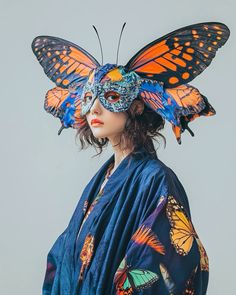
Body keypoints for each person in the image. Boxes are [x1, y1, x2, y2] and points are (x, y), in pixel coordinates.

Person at [31, 22, 230, 295]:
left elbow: (162, 260)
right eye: (89, 98)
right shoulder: (102, 179)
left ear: (137, 106)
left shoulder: (155, 179)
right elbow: (66, 254)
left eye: (111, 96)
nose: (95, 108)